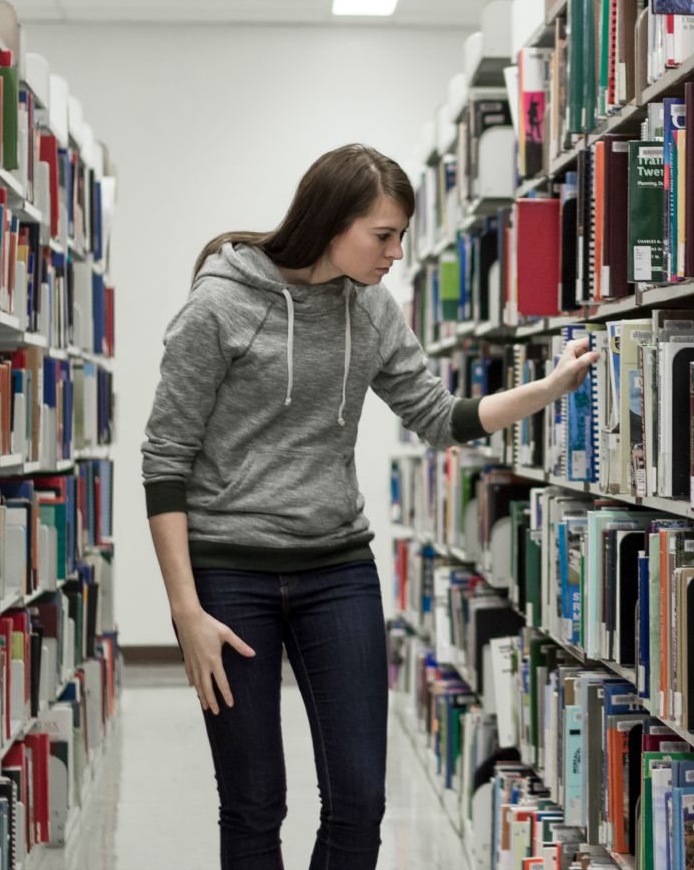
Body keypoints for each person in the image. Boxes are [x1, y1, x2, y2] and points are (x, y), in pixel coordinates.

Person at [140, 143, 597, 870]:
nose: (396, 253)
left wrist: (546, 391)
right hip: (228, 576)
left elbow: (440, 416)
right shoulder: (221, 306)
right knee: (253, 804)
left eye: (401, 235)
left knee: (359, 801)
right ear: (330, 222)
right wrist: (186, 612)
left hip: (337, 570)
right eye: (383, 235)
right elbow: (165, 463)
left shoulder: (373, 310)